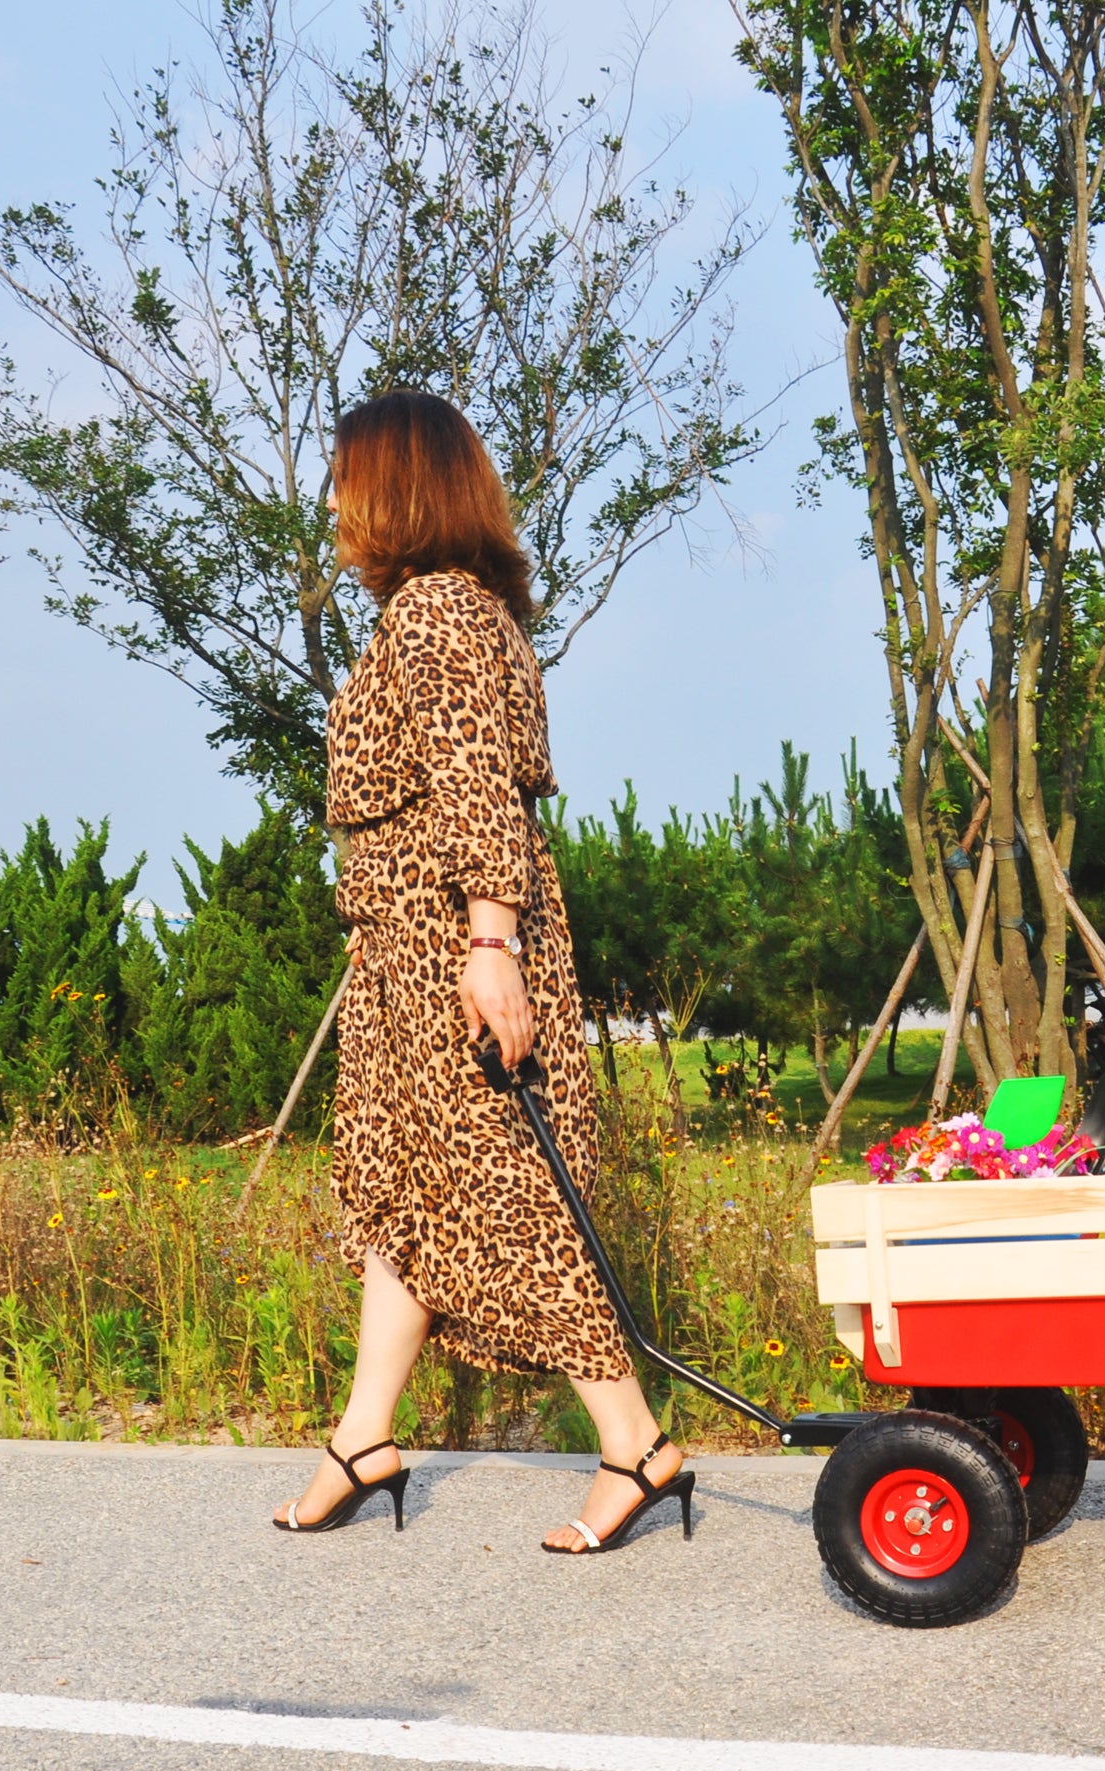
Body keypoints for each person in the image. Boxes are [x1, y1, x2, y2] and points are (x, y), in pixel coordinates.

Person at [273, 389, 690, 1555]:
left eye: (346, 479)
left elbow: (475, 784)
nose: (335, 503)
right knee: (399, 1189)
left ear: (394, 487)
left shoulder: (437, 611)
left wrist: (491, 943)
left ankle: (635, 1442)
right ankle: (362, 1438)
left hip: (451, 944)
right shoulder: (449, 610)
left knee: (513, 1193)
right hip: (404, 959)